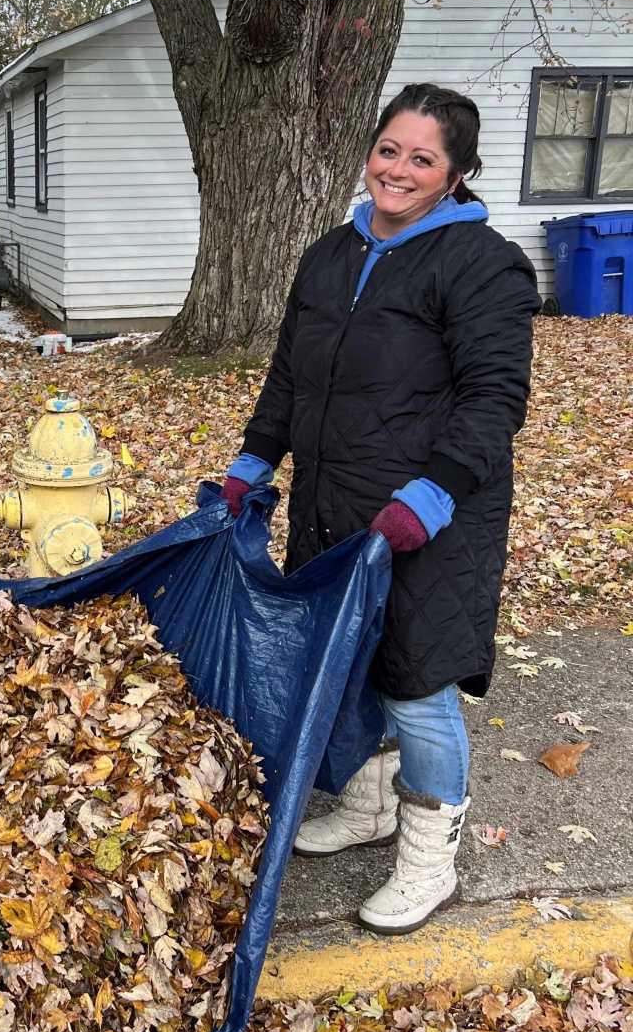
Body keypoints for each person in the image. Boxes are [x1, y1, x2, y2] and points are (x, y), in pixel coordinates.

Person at [222, 84, 540, 936]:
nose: (397, 170)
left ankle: (429, 860)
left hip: (430, 516)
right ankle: (370, 807)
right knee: (351, 664)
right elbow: (290, 376)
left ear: (456, 174)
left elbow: (495, 398)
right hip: (334, 503)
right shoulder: (330, 254)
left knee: (416, 683)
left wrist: (432, 494)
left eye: (422, 158)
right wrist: (253, 462)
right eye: (388, 150)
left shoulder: (482, 264)